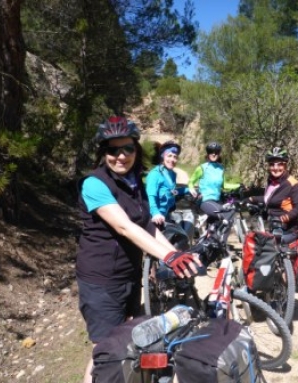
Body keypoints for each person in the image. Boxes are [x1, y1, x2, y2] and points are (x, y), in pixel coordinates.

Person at [75, 117, 201, 383]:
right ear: (103, 153)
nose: (121, 156)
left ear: (136, 150)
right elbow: (125, 228)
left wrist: (177, 253)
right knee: (104, 349)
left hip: (128, 275)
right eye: (113, 150)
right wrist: (167, 256)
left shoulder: (135, 183)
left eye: (127, 149)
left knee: (124, 338)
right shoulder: (94, 184)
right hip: (101, 280)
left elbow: (147, 225)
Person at [246, 147, 298, 244]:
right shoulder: (272, 182)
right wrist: (250, 199)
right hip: (272, 226)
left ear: (285, 165)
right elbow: (269, 199)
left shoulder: (292, 183)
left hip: (287, 230)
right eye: (272, 164)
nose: (275, 167)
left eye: (280, 164)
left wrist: (284, 218)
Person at [188, 141, 240, 222]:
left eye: (216, 152)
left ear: (219, 154)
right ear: (208, 153)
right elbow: (191, 182)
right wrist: (192, 191)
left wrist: (238, 185)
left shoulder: (221, 169)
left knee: (230, 214)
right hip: (205, 201)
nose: (214, 154)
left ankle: (211, 234)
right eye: (211, 152)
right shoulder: (202, 168)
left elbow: (224, 185)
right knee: (224, 215)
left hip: (217, 201)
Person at [145, 140, 189, 227]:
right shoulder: (155, 174)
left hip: (166, 215)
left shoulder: (172, 174)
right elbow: (150, 195)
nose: (172, 159)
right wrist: (155, 213)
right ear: (163, 157)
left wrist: (188, 190)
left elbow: (172, 191)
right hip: (154, 219)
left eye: (175, 157)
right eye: (169, 156)